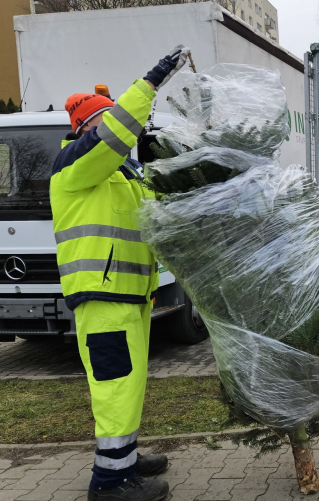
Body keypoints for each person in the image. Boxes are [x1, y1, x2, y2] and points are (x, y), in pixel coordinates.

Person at [51, 46, 190, 501]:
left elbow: (157, 212)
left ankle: (124, 458)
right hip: (103, 299)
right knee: (114, 389)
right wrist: (148, 85)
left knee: (128, 386)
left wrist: (161, 164)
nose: (125, 136)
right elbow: (114, 133)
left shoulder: (122, 177)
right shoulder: (72, 164)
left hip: (130, 298)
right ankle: (109, 483)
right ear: (88, 128)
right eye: (107, 122)